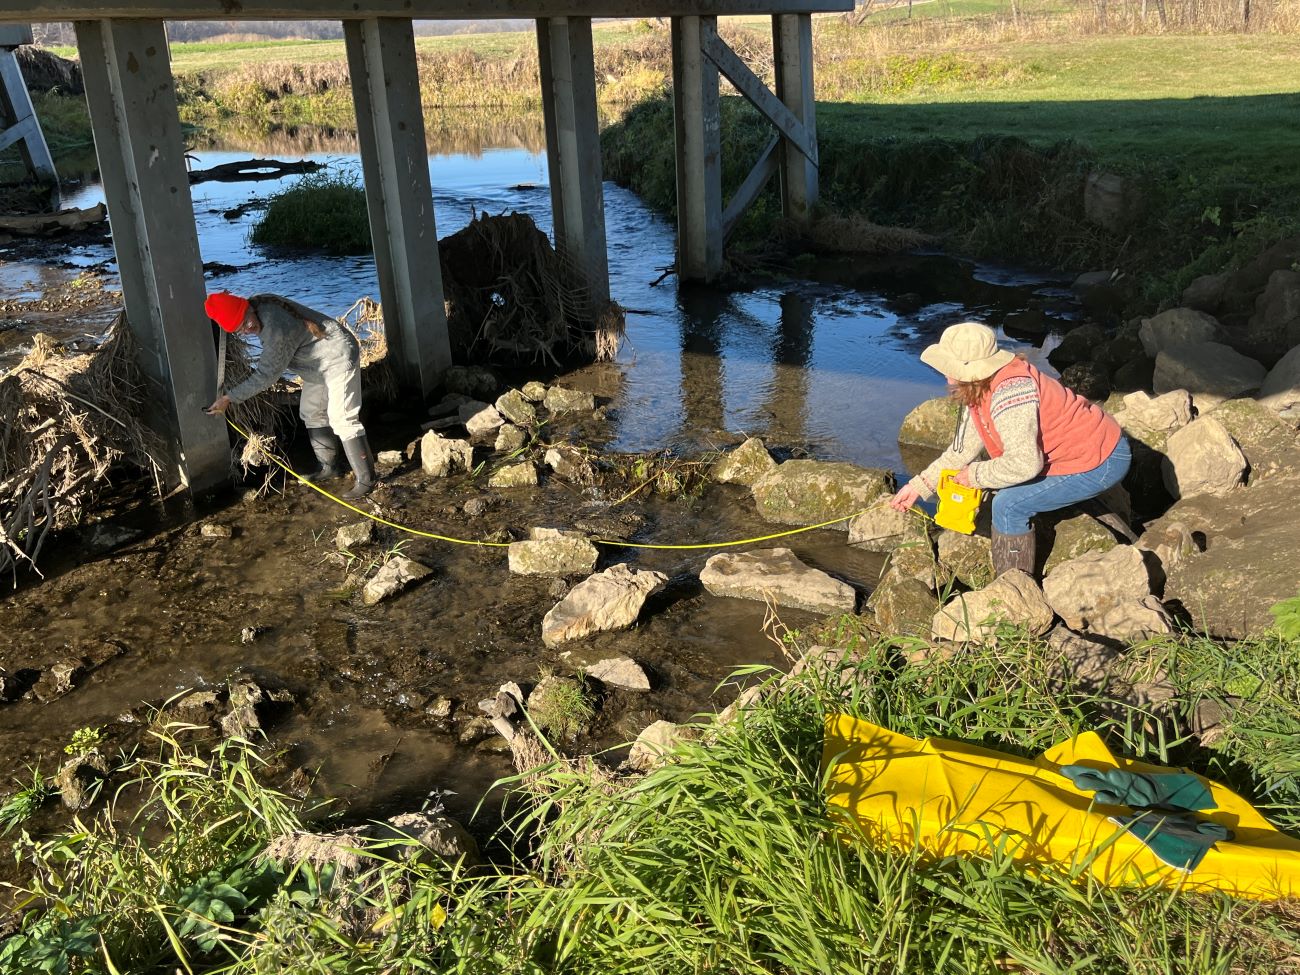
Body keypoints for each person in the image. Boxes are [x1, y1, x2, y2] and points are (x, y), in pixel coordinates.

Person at [889, 321, 1130, 577]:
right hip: (1078, 449)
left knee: (1009, 505)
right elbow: (960, 451)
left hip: (1103, 458)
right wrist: (918, 486)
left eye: (950, 368)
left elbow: (1026, 463)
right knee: (1000, 483)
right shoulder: (982, 386)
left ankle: (1014, 586)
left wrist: (974, 475)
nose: (946, 375)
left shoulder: (1010, 393)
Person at [203, 291, 376, 500]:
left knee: (342, 418)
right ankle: (330, 468)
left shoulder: (276, 326)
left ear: (248, 308)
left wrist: (229, 398)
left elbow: (266, 375)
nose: (248, 329)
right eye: (240, 330)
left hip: (337, 357)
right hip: (317, 365)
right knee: (311, 412)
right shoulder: (259, 305)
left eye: (245, 321)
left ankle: (367, 479)